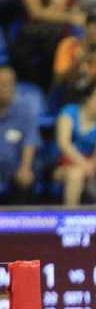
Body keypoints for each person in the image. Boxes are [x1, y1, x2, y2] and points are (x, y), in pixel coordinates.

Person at [53, 82, 96, 205]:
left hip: (92, 167)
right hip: (61, 163)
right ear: (87, 98)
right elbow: (64, 144)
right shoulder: (69, 112)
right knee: (76, 174)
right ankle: (70, 217)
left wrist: (91, 166)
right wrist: (84, 165)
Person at [52, 14, 96, 104]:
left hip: (95, 101)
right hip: (66, 96)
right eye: (93, 26)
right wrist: (77, 64)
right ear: (85, 27)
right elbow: (58, 80)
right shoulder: (68, 45)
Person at [0, 66, 40, 205]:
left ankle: (19, 224)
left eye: (10, 84)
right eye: (2, 84)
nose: (7, 88)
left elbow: (30, 141)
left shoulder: (24, 110)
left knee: (26, 177)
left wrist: (25, 167)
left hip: (14, 169)